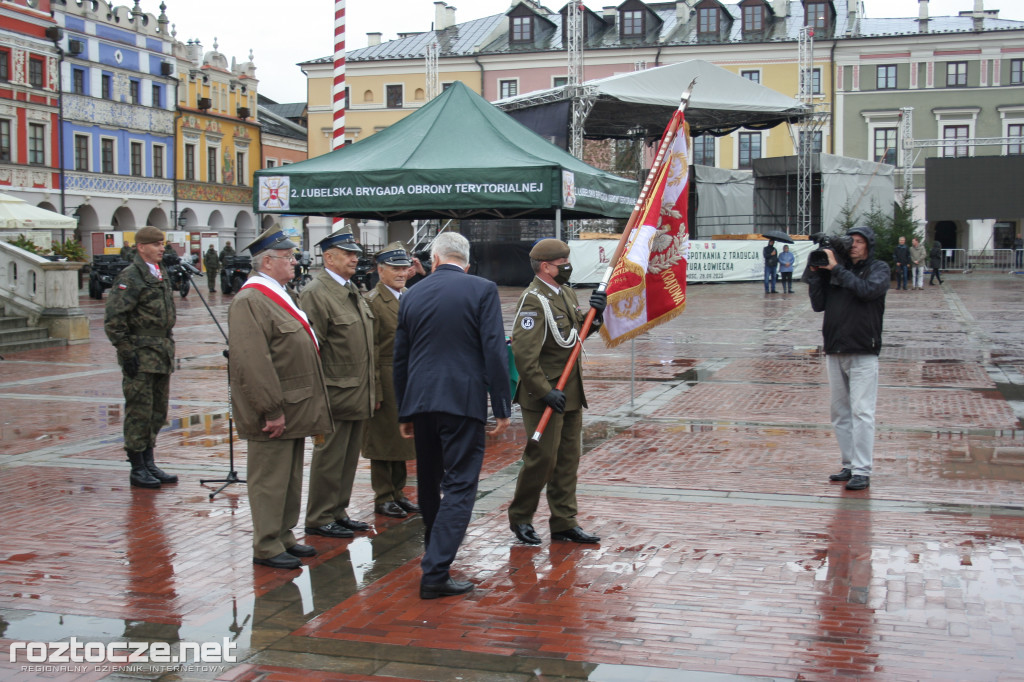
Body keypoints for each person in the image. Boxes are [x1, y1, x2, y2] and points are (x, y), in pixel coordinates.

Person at [393, 232, 511, 599]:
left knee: (428, 479)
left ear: (435, 259)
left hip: (421, 400)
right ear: (467, 262)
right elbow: (493, 348)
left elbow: (401, 356)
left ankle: (435, 552)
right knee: (460, 483)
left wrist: (404, 409)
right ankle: (436, 571)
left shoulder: (412, 293)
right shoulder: (481, 289)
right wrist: (502, 405)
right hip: (462, 399)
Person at [228, 226, 333, 570]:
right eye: (288, 257)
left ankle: (284, 534)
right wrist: (270, 409)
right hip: (274, 409)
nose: (295, 261)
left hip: (294, 404)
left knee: (288, 477)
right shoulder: (250, 300)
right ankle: (267, 544)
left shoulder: (281, 293)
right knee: (269, 478)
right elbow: (253, 362)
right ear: (268, 262)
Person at [507, 238, 607, 546]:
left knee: (567, 459)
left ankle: (564, 521)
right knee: (542, 459)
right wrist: (545, 391)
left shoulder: (563, 292)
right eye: (562, 262)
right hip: (545, 394)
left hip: (570, 391)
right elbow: (524, 355)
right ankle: (521, 517)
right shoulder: (533, 300)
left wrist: (596, 316)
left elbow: (574, 335)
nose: (568, 266)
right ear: (546, 267)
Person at [300, 226, 376, 539]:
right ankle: (319, 516)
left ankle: (338, 511)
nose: (354, 258)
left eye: (356, 254)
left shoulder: (349, 288)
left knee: (346, 458)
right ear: (328, 257)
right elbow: (310, 348)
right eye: (347, 253)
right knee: (329, 457)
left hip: (356, 390)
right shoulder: (316, 293)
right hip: (332, 392)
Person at [807, 225, 889, 491]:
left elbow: (867, 291)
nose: (853, 245)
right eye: (849, 241)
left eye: (858, 241)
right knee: (840, 413)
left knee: (862, 412)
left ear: (869, 244)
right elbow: (819, 305)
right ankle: (849, 464)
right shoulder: (836, 271)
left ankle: (863, 470)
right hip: (835, 348)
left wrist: (836, 270)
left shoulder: (878, 269)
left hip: (863, 349)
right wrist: (816, 274)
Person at [104, 226, 178, 489]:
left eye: (162, 244)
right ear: (141, 247)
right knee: (139, 411)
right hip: (140, 353)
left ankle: (149, 461)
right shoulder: (131, 276)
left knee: (158, 411)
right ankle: (137, 467)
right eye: (156, 244)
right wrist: (126, 351)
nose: (162, 248)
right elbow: (114, 319)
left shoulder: (159, 273)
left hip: (161, 352)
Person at [363, 242, 420, 519]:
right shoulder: (373, 301)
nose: (401, 273)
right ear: (380, 270)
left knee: (402, 440)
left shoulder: (408, 295)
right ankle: (383, 496)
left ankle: (398, 492)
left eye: (404, 268)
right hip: (385, 376)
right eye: (395, 269)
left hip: (408, 376)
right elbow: (371, 350)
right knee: (384, 440)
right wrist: (374, 390)